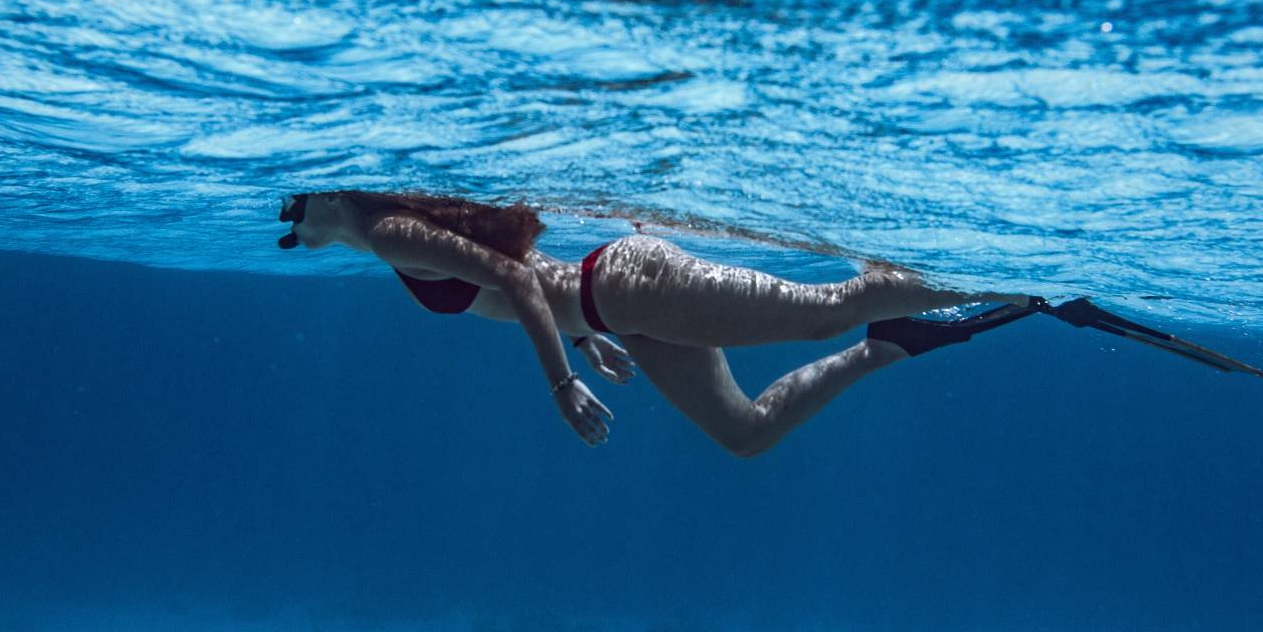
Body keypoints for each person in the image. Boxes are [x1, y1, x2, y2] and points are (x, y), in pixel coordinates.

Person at [275, 190, 1036, 456]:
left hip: (634, 287)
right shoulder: (386, 242)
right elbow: (519, 289)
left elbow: (512, 277)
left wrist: (561, 383)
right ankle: (888, 346)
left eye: (292, 210)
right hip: (621, 312)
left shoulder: (390, 234)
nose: (291, 228)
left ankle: (1008, 281)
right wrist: (581, 338)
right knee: (746, 433)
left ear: (329, 196)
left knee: (824, 312)